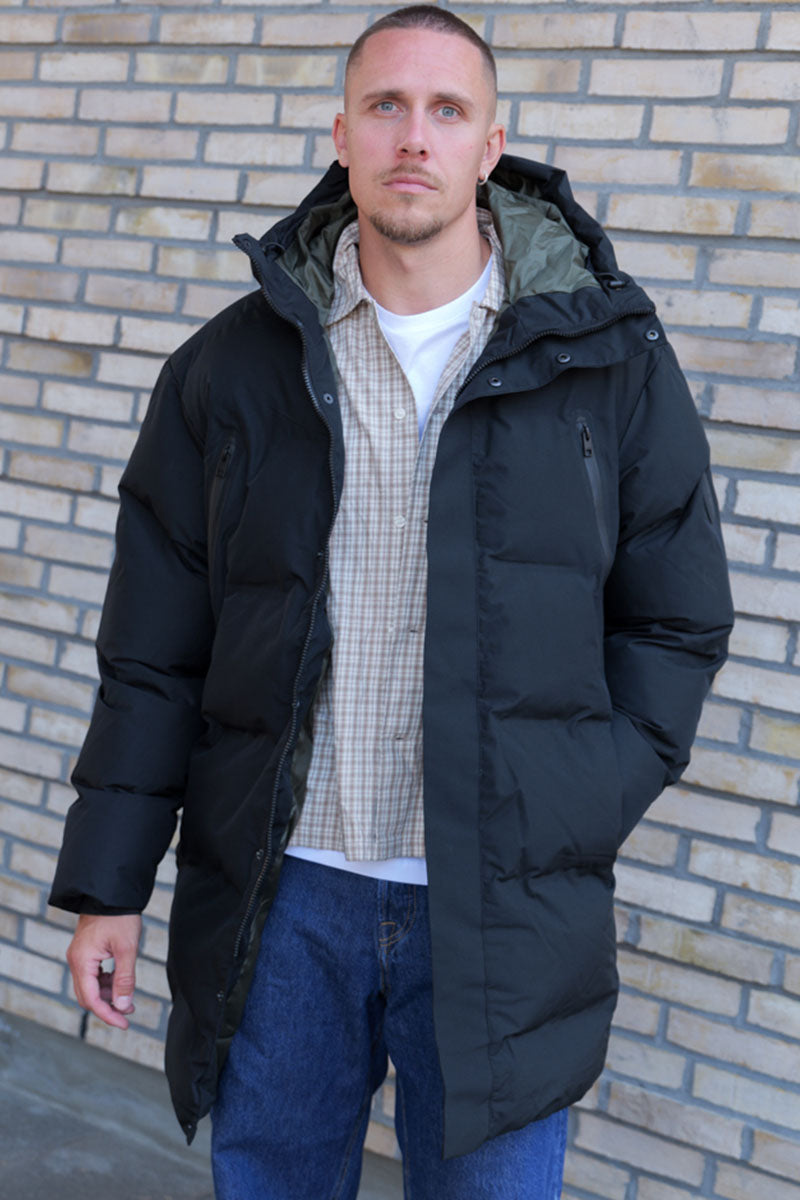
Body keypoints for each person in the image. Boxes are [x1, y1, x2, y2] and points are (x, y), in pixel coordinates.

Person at [50, 6, 733, 1197]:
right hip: (280, 901)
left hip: (502, 912)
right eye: (385, 106)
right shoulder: (230, 368)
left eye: (446, 109)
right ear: (342, 134)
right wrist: (110, 885)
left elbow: (674, 621)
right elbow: (155, 650)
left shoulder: (606, 360)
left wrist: (568, 801)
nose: (413, 136)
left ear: (489, 145)